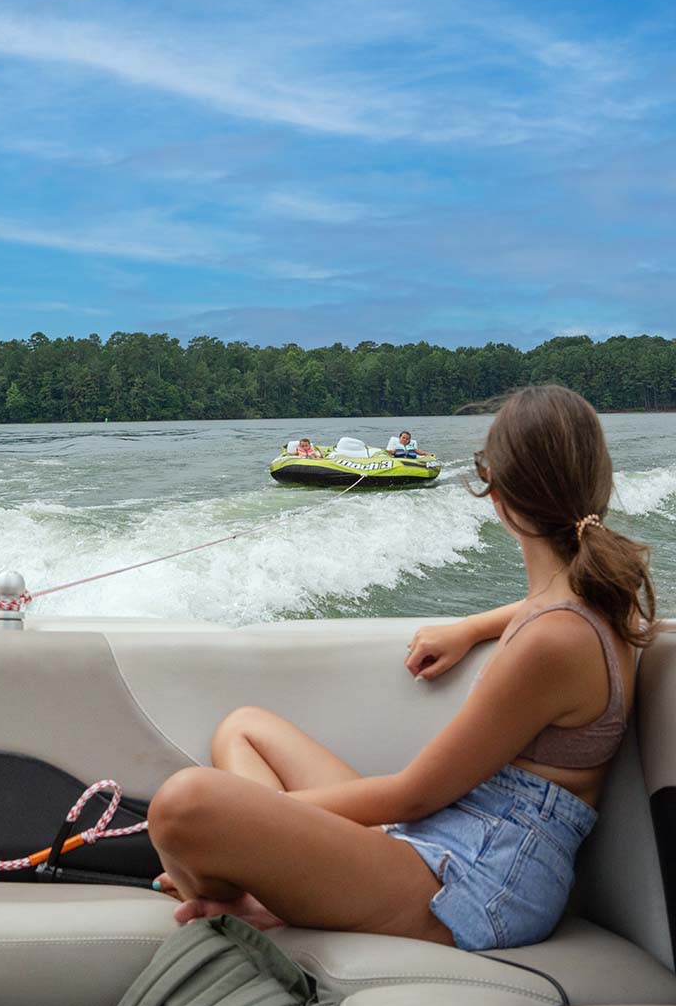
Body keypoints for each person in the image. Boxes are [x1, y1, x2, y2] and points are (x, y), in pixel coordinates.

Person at [149, 385, 653, 951]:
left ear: (497, 493)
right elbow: (542, 613)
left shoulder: (555, 637)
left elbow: (414, 795)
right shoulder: (593, 599)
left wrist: (254, 827)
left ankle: (254, 896)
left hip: (479, 882)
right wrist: (470, 628)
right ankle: (267, 886)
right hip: (450, 838)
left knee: (184, 806)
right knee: (244, 727)